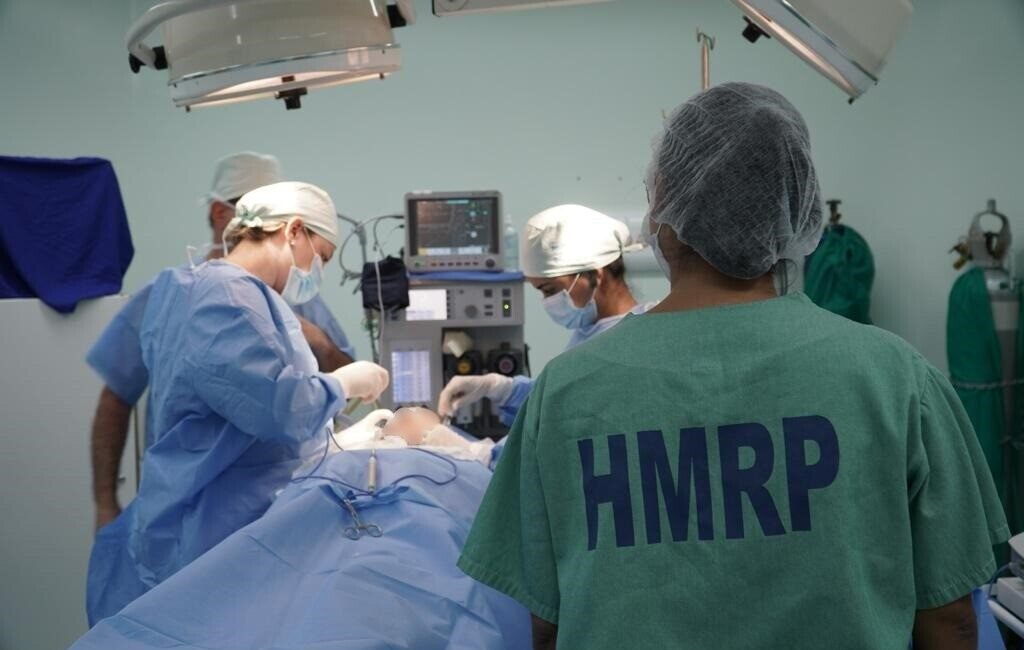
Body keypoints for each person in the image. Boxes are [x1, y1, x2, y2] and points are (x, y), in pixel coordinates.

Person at [457, 83, 1009, 650]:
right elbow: (949, 619)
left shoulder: (564, 393)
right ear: (794, 210)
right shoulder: (896, 379)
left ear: (662, 209)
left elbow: (547, 623)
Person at [86, 181, 390, 625]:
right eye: (321, 257)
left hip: (210, 513)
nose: (317, 271)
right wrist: (341, 383)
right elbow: (276, 407)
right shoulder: (228, 299)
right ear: (293, 231)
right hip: (216, 528)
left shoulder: (195, 289)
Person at [88, 152, 356, 532]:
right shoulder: (176, 294)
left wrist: (319, 342)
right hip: (205, 513)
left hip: (277, 507)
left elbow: (342, 383)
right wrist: (105, 502)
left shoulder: (295, 294)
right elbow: (116, 396)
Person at [438, 205, 646, 426]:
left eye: (550, 290)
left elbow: (571, 425)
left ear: (596, 275)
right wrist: (500, 388)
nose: (547, 301)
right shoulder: (592, 332)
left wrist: (475, 447)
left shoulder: (635, 342)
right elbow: (555, 399)